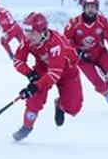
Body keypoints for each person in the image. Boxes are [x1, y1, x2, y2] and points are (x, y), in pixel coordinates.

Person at [11, 12, 84, 141]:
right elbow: (18, 61)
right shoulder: (28, 40)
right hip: (43, 68)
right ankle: (27, 127)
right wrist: (30, 74)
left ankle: (60, 104)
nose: (28, 36)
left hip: (67, 72)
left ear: (43, 31)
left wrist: (35, 86)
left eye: (32, 32)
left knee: (74, 108)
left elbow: (54, 74)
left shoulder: (56, 44)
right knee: (35, 98)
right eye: (26, 31)